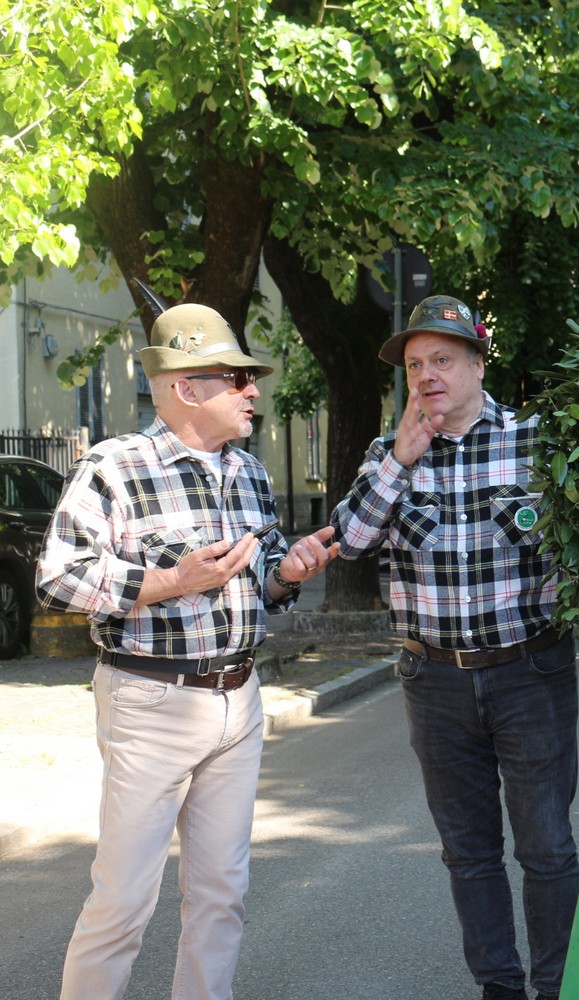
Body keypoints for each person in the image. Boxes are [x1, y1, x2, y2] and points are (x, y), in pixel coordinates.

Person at [36, 302, 339, 1000]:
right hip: (150, 699)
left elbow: (262, 582)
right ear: (186, 388)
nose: (254, 390)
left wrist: (288, 572)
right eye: (237, 377)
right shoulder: (115, 466)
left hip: (239, 698)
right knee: (123, 900)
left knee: (222, 893)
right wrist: (172, 581)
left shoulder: (250, 473)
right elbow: (57, 577)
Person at [331, 295, 578, 1000]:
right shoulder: (387, 455)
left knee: (546, 846)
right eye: (415, 365)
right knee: (468, 853)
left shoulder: (539, 442)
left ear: (477, 364)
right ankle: (499, 988)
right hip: (434, 680)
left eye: (441, 359)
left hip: (530, 671)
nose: (426, 375)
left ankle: (555, 987)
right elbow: (350, 541)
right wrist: (399, 459)